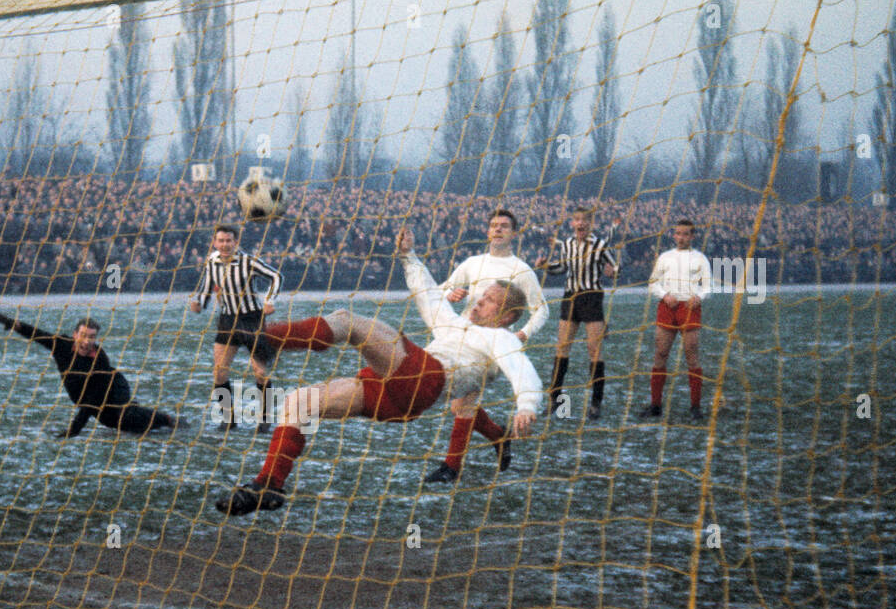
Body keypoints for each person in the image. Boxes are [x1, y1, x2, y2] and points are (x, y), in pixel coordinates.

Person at [214, 228, 540, 515]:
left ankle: (265, 338)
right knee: (299, 402)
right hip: (398, 398)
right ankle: (269, 485)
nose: (480, 301)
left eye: (491, 300)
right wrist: (409, 256)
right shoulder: (457, 323)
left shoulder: (501, 338)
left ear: (508, 317)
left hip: (425, 378)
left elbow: (521, 368)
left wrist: (527, 405)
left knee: (351, 322)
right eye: (482, 295)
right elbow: (429, 296)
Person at [423, 208, 547, 483]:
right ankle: (498, 436)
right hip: (463, 337)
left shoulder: (522, 271)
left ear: (513, 233)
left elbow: (542, 310)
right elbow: (440, 290)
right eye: (493, 225)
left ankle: (451, 467)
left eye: (504, 225)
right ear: (488, 231)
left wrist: (523, 334)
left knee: (465, 402)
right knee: (458, 405)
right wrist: (450, 294)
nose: (498, 229)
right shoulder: (472, 263)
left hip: (493, 344)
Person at [0, 312, 179, 437]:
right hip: (93, 399)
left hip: (113, 388)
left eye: (91, 337)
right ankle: (160, 422)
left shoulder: (99, 359)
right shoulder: (61, 345)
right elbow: (35, 334)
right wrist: (12, 324)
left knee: (125, 416)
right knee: (118, 425)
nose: (87, 341)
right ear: (75, 335)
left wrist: (74, 430)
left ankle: (169, 421)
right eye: (83, 335)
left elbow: (91, 400)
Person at [189, 224, 283, 432]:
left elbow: (276, 277)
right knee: (219, 373)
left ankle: (265, 419)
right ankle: (228, 419)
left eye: (228, 241)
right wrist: (199, 303)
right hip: (227, 320)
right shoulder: (212, 262)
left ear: (236, 242)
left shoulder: (248, 261)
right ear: (215, 242)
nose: (224, 245)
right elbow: (206, 287)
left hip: (252, 320)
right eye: (220, 241)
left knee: (260, 372)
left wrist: (270, 301)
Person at [536, 207, 619, 419]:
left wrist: (613, 271)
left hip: (591, 298)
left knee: (594, 349)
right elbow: (562, 269)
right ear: (572, 223)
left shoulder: (599, 245)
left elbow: (615, 267)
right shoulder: (567, 244)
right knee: (562, 347)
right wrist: (546, 266)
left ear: (591, 223)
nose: (580, 223)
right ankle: (555, 399)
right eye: (577, 220)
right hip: (571, 297)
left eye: (584, 220)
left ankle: (596, 403)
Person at [641, 218, 711, 421]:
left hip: (689, 307)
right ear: (674, 235)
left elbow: (708, 286)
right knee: (661, 353)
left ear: (692, 236)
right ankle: (655, 405)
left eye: (686, 234)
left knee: (691, 353)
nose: (681, 237)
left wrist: (699, 296)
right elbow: (653, 283)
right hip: (667, 307)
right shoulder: (665, 257)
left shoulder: (700, 258)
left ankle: (695, 406)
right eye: (678, 234)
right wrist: (664, 295)